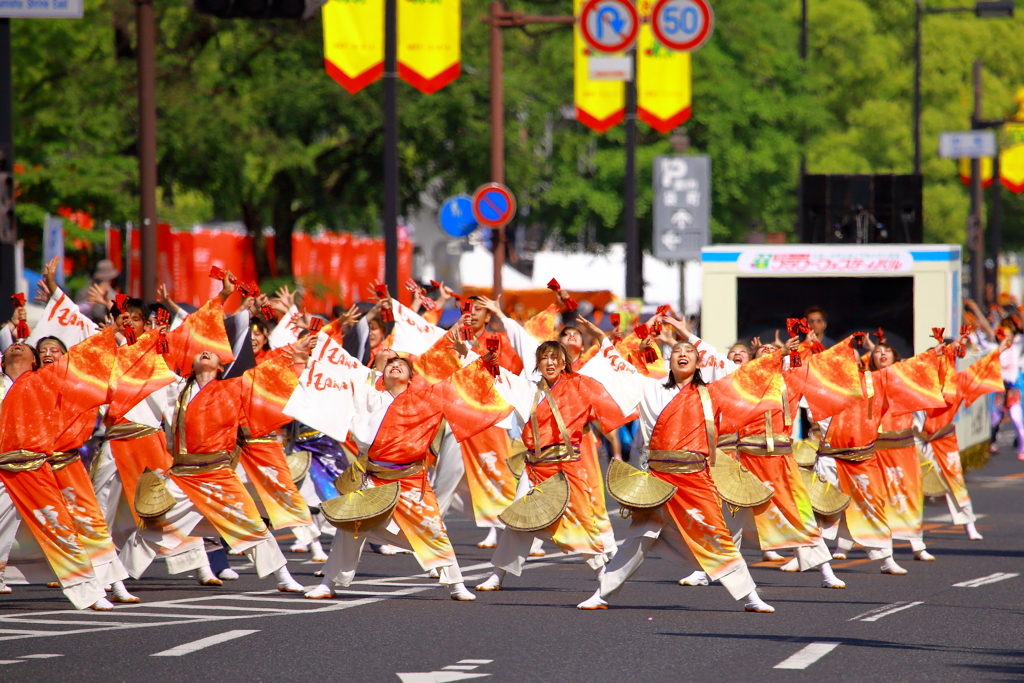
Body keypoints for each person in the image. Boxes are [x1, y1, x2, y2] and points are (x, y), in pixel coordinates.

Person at [576, 323, 780, 612]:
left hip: (696, 479)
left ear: (698, 364)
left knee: (716, 536)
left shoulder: (712, 393)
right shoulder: (649, 386)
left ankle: (751, 597)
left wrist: (772, 359)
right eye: (676, 351)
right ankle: (602, 594)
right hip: (658, 478)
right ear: (669, 361)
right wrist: (602, 338)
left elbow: (746, 383)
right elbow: (619, 370)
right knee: (639, 536)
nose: (682, 354)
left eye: (689, 352)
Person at [305, 326, 508, 601]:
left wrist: (482, 362)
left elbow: (460, 384)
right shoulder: (367, 397)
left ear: (412, 378)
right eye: (391, 366)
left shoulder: (426, 399)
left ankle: (456, 584)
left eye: (401, 365)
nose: (395, 367)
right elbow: (334, 388)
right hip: (374, 477)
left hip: (410, 479)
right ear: (382, 376)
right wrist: (308, 356)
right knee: (350, 527)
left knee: (432, 529)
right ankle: (329, 583)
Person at [475, 335, 634, 596]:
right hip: (535, 466)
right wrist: (478, 360)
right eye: (544, 358)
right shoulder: (529, 390)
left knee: (577, 521)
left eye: (555, 358)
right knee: (519, 520)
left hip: (566, 465)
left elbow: (612, 394)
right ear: (538, 364)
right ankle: (497, 574)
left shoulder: (581, 386)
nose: (550, 362)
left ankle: (602, 573)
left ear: (564, 363)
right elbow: (498, 377)